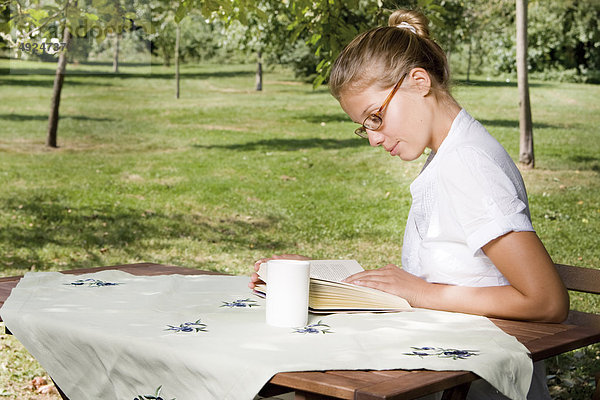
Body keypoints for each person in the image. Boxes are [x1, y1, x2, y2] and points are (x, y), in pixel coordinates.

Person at [249, 8, 569, 399]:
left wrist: (420, 292)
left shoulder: (468, 163)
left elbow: (547, 300)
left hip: (473, 383)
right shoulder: (450, 156)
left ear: (419, 82)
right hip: (444, 363)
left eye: (376, 117)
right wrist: (310, 278)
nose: (373, 138)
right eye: (364, 125)